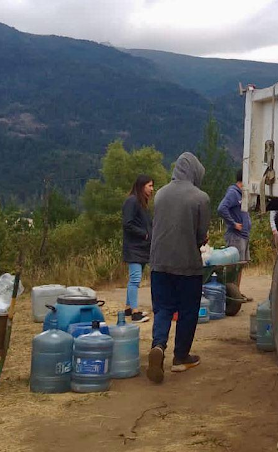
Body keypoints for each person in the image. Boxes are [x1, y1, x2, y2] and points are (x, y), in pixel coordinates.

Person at [146, 152, 211, 383]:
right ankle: (180, 357)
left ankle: (158, 346)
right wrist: (201, 240)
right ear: (194, 172)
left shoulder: (160, 194)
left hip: (159, 263)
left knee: (162, 308)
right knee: (187, 311)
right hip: (186, 265)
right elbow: (200, 235)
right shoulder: (200, 197)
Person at [122, 174, 154, 323]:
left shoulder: (142, 203)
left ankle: (128, 307)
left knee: (133, 279)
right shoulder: (132, 201)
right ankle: (135, 313)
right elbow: (127, 224)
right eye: (150, 186)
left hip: (141, 248)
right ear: (142, 186)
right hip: (134, 248)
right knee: (135, 279)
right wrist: (144, 235)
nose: (152, 189)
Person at [217, 169, 252, 300]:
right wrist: (233, 224)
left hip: (244, 235)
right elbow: (221, 208)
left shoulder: (242, 194)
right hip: (235, 236)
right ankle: (230, 294)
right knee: (234, 267)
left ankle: (237, 292)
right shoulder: (233, 193)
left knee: (240, 265)